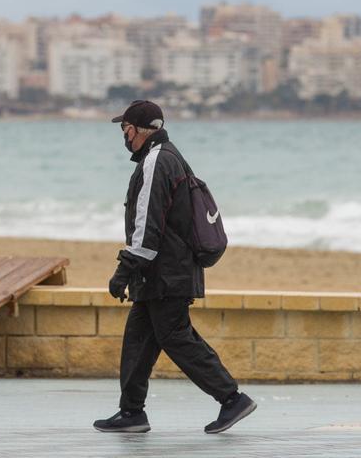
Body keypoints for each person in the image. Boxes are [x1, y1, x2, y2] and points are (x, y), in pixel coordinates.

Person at [92, 100, 256, 434]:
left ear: (137, 130)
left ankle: (231, 398)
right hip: (162, 272)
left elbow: (148, 224)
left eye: (125, 129)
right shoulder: (169, 156)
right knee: (138, 341)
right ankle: (131, 413)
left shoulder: (157, 160)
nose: (123, 136)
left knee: (178, 338)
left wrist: (124, 270)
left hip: (166, 273)